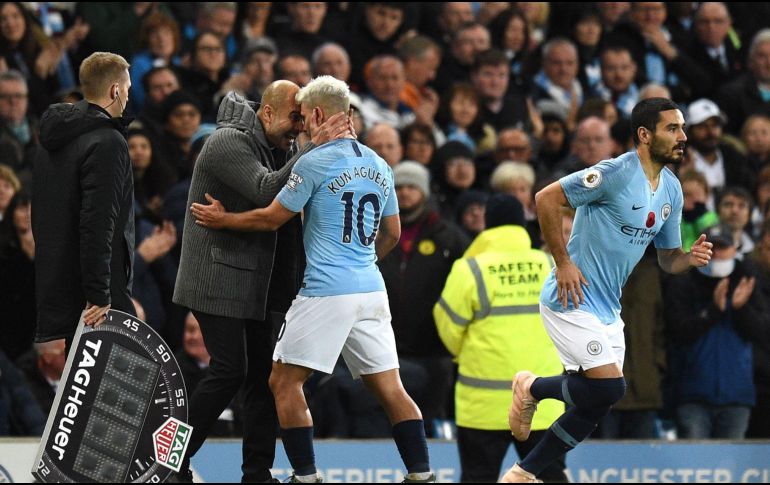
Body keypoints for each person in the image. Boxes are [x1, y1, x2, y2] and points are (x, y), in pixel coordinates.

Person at [191, 76, 435, 483]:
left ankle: (304, 475)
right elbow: (391, 233)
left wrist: (223, 218)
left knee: (283, 381)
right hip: (372, 289)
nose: (302, 127)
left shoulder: (314, 160)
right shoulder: (380, 164)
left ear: (319, 114)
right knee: (392, 389)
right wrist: (363, 261)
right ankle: (422, 472)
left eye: (304, 117)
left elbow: (270, 217)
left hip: (325, 291)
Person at [501, 97, 713, 483]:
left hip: (606, 308)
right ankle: (532, 387)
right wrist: (563, 263)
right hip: (571, 299)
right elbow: (546, 198)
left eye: (683, 128)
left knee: (601, 401)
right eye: (673, 129)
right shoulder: (614, 172)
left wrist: (689, 259)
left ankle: (523, 471)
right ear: (644, 135)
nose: (683, 136)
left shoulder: (672, 190)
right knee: (610, 385)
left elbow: (667, 259)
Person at [172, 80, 351, 483]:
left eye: (303, 120)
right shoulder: (226, 142)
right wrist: (311, 148)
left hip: (255, 284)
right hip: (215, 277)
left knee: (261, 381)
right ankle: (167, 458)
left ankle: (256, 474)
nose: (298, 127)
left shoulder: (279, 147)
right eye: (294, 118)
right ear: (266, 112)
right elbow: (267, 190)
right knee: (229, 371)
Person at [434, 194, 566, 483]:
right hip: (542, 402)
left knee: (478, 476)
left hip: (482, 406)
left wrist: (464, 352)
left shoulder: (470, 268)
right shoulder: (549, 265)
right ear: (522, 224)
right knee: (550, 475)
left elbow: (446, 324)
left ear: (488, 226)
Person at [33, 51, 136, 349]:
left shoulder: (53, 141)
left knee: (80, 388)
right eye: (127, 89)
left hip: (65, 281)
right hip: (98, 294)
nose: (128, 97)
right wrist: (100, 294)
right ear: (115, 90)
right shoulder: (108, 141)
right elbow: (98, 222)